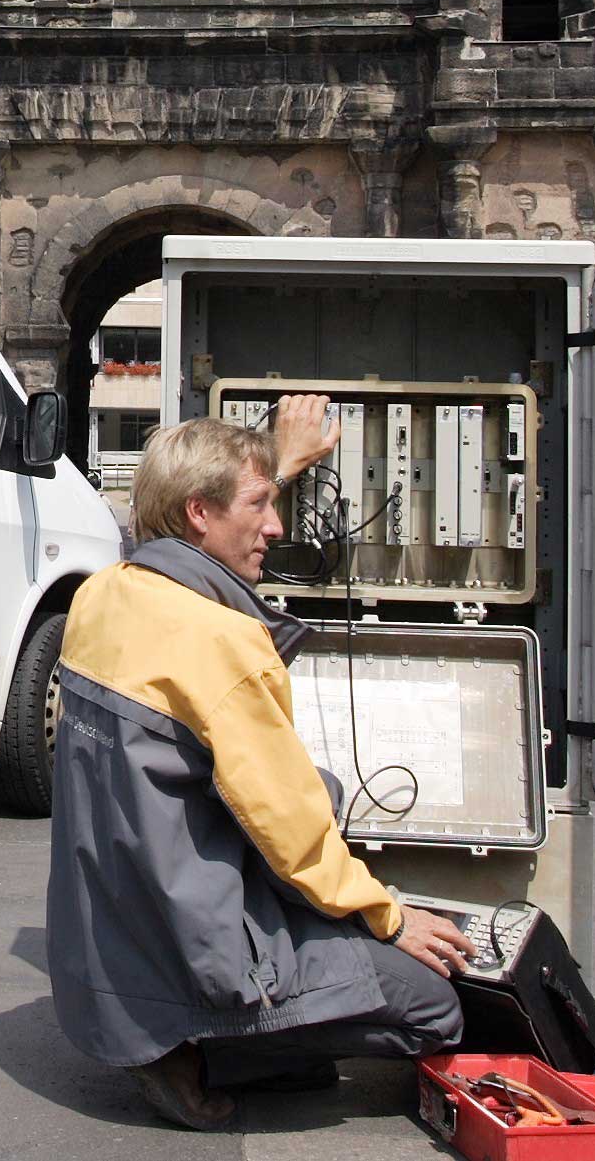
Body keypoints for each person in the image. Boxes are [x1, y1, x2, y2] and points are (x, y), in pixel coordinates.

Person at [48, 395, 476, 1132]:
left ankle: (217, 1032)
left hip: (110, 938)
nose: (276, 526)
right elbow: (292, 837)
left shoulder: (101, 597)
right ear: (199, 515)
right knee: (435, 1009)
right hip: (189, 940)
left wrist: (278, 461)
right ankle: (204, 1050)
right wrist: (392, 916)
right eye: (259, 504)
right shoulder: (224, 643)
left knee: (323, 787)